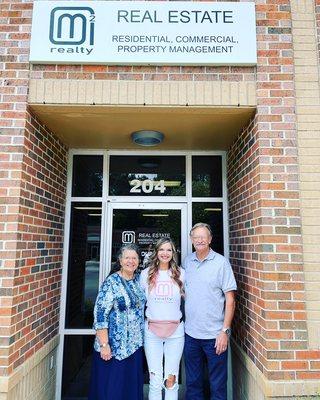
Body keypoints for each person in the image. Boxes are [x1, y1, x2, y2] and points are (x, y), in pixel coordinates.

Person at [183, 223, 237, 400]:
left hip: (215, 337)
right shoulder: (187, 262)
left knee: (217, 386)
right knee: (193, 384)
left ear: (210, 239)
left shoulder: (221, 263)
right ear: (191, 239)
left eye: (203, 237)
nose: (199, 240)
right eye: (196, 237)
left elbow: (230, 301)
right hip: (190, 335)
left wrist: (224, 332)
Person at [88, 243, 146, 400]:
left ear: (139, 261)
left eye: (134, 258)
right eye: (127, 257)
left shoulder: (139, 281)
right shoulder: (111, 282)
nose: (131, 261)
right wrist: (104, 345)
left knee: (130, 391)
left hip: (134, 347)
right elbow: (100, 315)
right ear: (120, 260)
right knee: (112, 391)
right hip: (113, 349)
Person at [140, 238, 185, 400]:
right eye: (162, 250)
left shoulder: (181, 273)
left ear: (173, 253)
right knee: (155, 380)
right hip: (152, 332)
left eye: (169, 250)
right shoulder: (146, 274)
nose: (165, 253)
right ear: (156, 253)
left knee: (171, 380)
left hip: (176, 332)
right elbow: (140, 303)